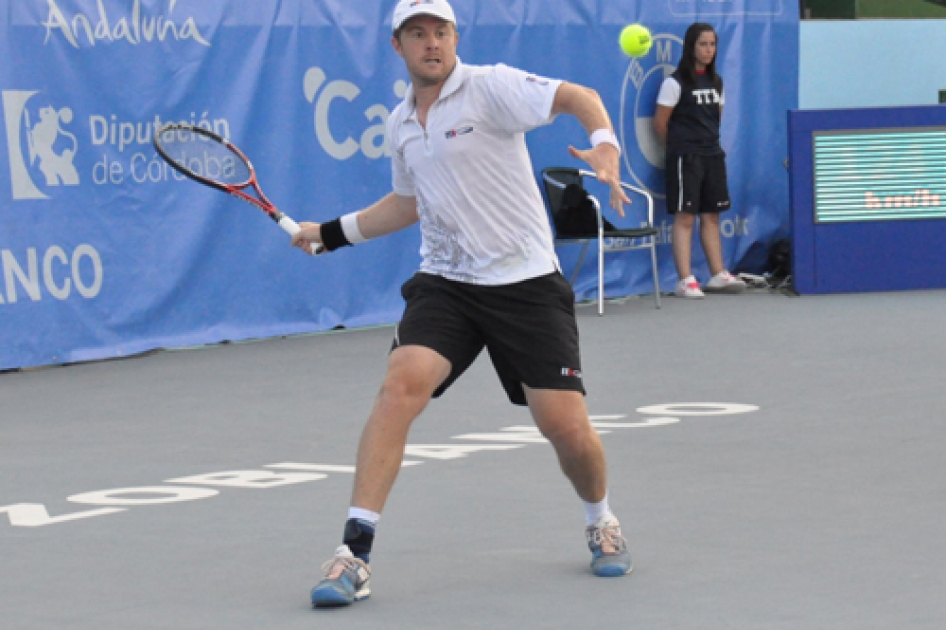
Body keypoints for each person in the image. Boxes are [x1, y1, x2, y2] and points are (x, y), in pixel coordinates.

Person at [291, 0, 634, 609]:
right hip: (447, 282)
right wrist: (332, 232)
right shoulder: (401, 123)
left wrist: (604, 145)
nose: (431, 43)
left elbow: (579, 96)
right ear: (397, 46)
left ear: (455, 39)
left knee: (565, 428)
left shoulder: (490, 88)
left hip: (526, 283)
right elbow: (406, 203)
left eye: (441, 32)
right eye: (417, 34)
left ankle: (601, 518)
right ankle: (354, 553)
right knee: (400, 387)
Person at [653, 22, 746, 298]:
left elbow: (715, 117)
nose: (708, 50)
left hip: (713, 156)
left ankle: (717, 274)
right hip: (685, 158)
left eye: (712, 44)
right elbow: (660, 124)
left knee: (712, 216)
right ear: (691, 47)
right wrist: (680, 150)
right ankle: (685, 280)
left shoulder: (717, 82)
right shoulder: (674, 83)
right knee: (685, 218)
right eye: (703, 44)